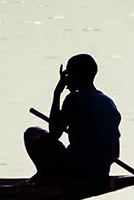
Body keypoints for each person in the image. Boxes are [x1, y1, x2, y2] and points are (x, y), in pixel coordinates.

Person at [24, 53, 121, 183]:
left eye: (68, 75)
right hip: (101, 172)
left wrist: (57, 93)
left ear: (79, 76)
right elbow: (116, 154)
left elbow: (54, 134)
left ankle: (47, 176)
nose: (65, 79)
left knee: (32, 134)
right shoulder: (109, 103)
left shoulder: (74, 99)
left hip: (76, 172)